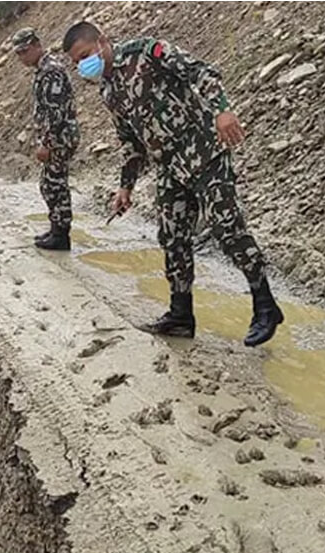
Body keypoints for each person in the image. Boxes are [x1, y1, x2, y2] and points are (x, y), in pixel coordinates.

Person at [62, 21, 282, 347]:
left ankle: (265, 305)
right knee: (172, 237)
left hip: (204, 151)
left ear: (102, 41)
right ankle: (181, 315)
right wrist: (126, 186)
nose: (83, 65)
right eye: (77, 62)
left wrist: (222, 111)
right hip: (169, 169)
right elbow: (130, 142)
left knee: (226, 228)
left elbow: (200, 71)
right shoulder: (108, 91)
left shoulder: (148, 52)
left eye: (84, 55)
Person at [12, 27, 79, 252]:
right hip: (57, 136)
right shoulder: (43, 70)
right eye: (18, 53)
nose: (22, 57)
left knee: (55, 186)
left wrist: (46, 143)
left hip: (60, 138)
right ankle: (56, 229)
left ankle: (61, 236)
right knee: (50, 184)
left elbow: (55, 113)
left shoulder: (51, 71)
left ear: (37, 45)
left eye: (24, 51)